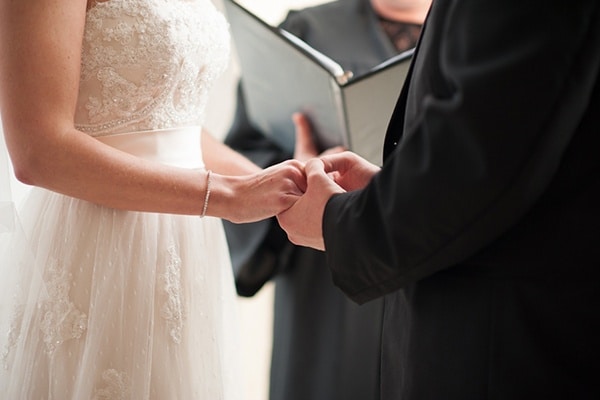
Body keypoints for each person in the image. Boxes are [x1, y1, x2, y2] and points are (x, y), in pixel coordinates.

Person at [278, 0, 600, 399]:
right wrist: (384, 188)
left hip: (504, 341)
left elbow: (477, 152)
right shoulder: (310, 23)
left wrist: (337, 221)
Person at [0, 0, 306, 398]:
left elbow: (171, 125)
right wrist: (227, 196)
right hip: (97, 243)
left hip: (189, 244)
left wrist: (291, 184)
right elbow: (39, 151)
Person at [223, 0, 429, 399]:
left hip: (427, 265)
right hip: (324, 276)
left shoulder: (467, 37)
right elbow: (247, 148)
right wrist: (296, 173)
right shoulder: (307, 30)